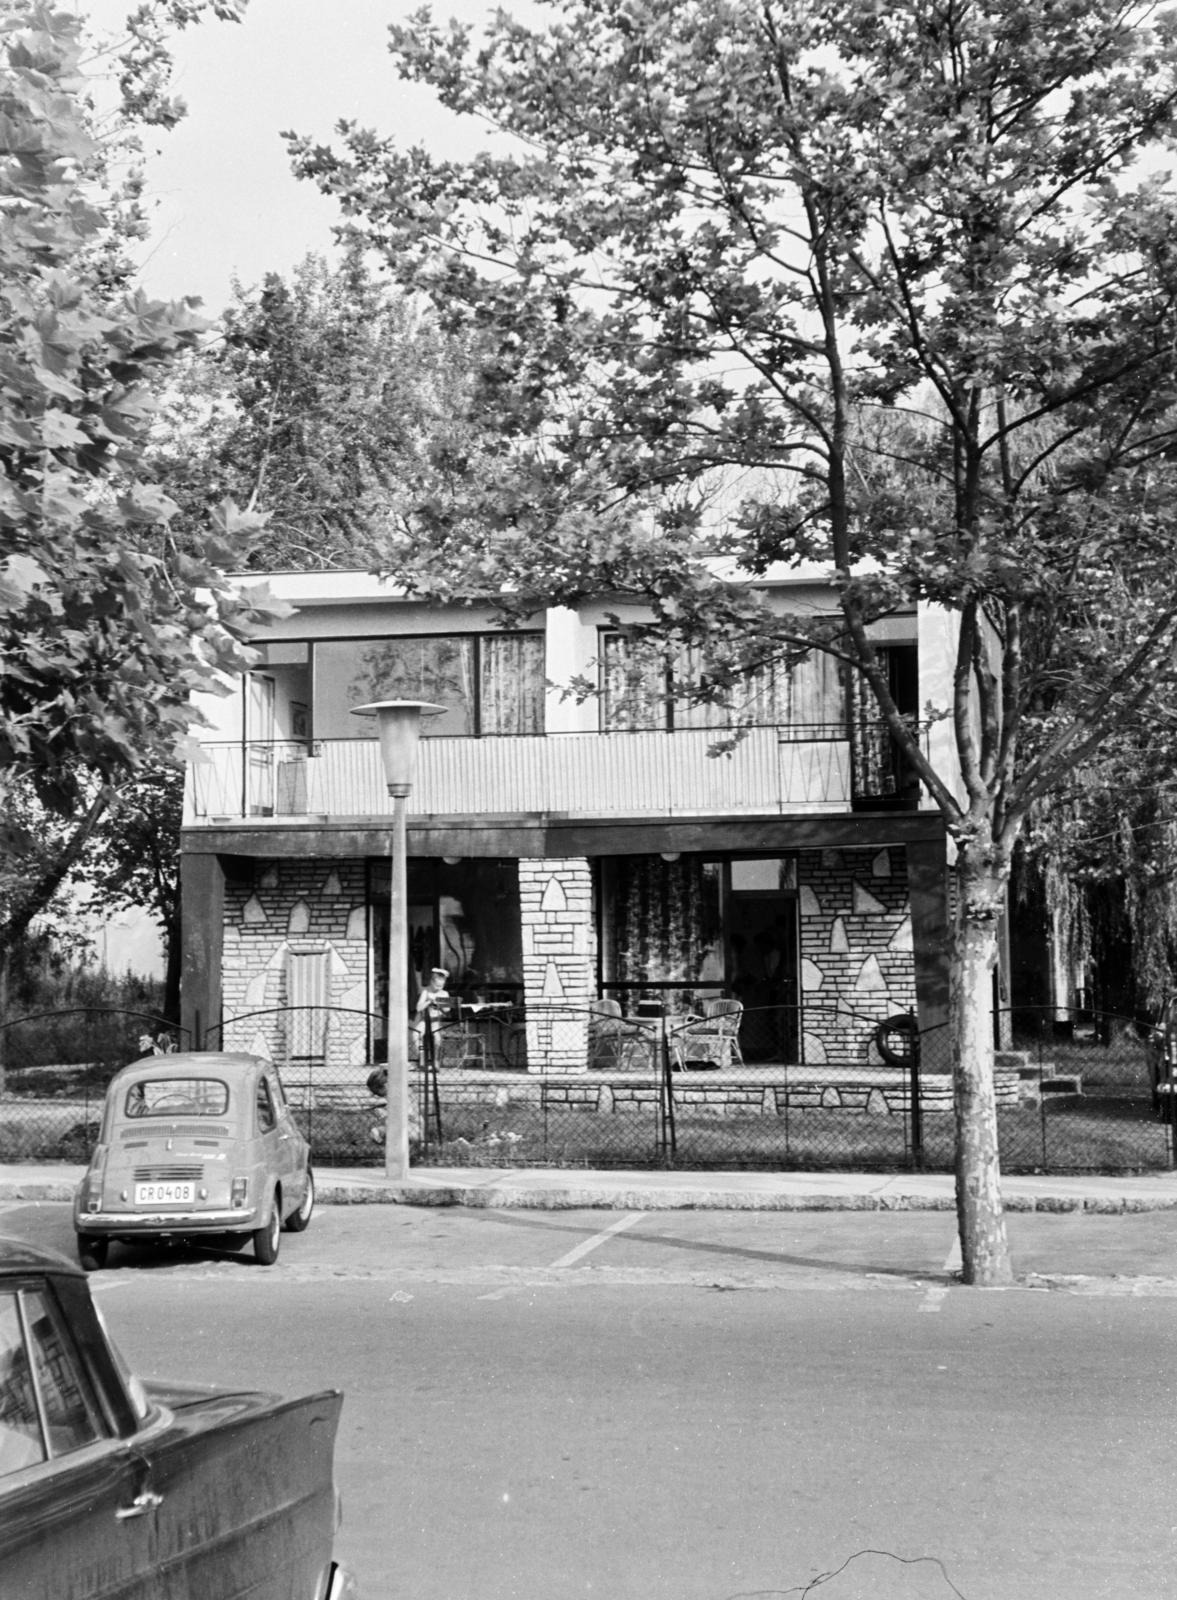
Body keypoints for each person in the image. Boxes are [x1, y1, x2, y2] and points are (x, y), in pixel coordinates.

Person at [412, 967, 450, 1061]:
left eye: (441, 986)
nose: (438, 988)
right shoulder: (426, 991)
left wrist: (439, 1004)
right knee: (416, 1034)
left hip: (436, 1021)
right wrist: (428, 1002)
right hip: (424, 1020)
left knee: (437, 1039)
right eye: (437, 986)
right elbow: (418, 1008)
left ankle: (435, 1059)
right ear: (432, 982)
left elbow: (447, 1010)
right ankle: (421, 1056)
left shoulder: (444, 994)